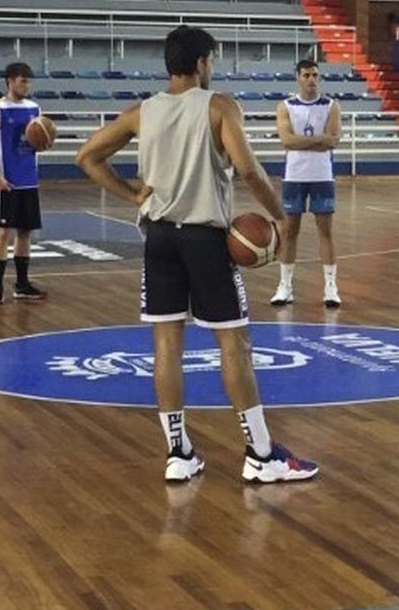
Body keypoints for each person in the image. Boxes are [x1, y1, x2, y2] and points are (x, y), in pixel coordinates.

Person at [75, 25, 319, 484]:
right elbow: (248, 169)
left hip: (159, 238)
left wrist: (131, 194)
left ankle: (177, 452)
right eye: (213, 61)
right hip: (204, 240)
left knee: (166, 345)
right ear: (203, 62)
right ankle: (261, 455)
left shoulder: (142, 112)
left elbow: (87, 156)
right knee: (235, 344)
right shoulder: (219, 106)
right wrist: (280, 218)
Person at [269, 58, 343, 309]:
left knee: (326, 231)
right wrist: (318, 140)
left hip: (322, 175)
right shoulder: (286, 106)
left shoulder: (331, 105)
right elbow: (287, 141)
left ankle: (331, 287)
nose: (311, 79)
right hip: (295, 175)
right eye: (306, 75)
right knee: (290, 232)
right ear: (298, 78)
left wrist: (304, 140)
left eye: (315, 75)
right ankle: (285, 286)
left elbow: (333, 141)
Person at [0, 61, 47, 305]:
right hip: (8, 181)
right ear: (10, 81)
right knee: (3, 232)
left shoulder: (34, 108)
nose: (26, 85)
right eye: (22, 81)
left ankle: (22, 284)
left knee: (25, 232)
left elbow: (39, 141)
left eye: (29, 81)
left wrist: (45, 141)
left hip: (29, 181)